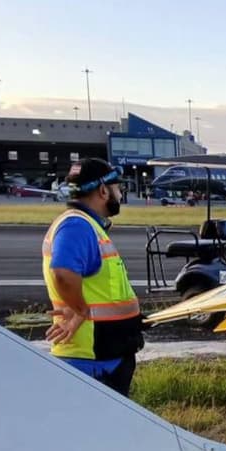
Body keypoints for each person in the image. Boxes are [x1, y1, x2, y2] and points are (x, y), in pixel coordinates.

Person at [41, 158, 144, 396]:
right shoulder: (77, 226)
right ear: (103, 190)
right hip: (90, 361)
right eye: (118, 188)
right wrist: (80, 310)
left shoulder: (86, 225)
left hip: (103, 355)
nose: (120, 193)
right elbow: (63, 273)